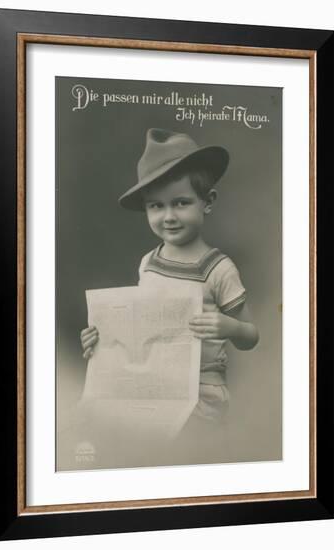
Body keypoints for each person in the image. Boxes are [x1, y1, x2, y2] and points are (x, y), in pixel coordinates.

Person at [80, 128, 259, 427]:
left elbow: (251, 336)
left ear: (208, 201)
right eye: (156, 206)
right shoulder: (148, 263)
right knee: (100, 425)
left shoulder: (219, 268)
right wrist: (100, 340)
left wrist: (230, 326)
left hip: (203, 390)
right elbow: (139, 331)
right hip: (152, 385)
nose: (169, 217)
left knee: (178, 442)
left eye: (181, 202)